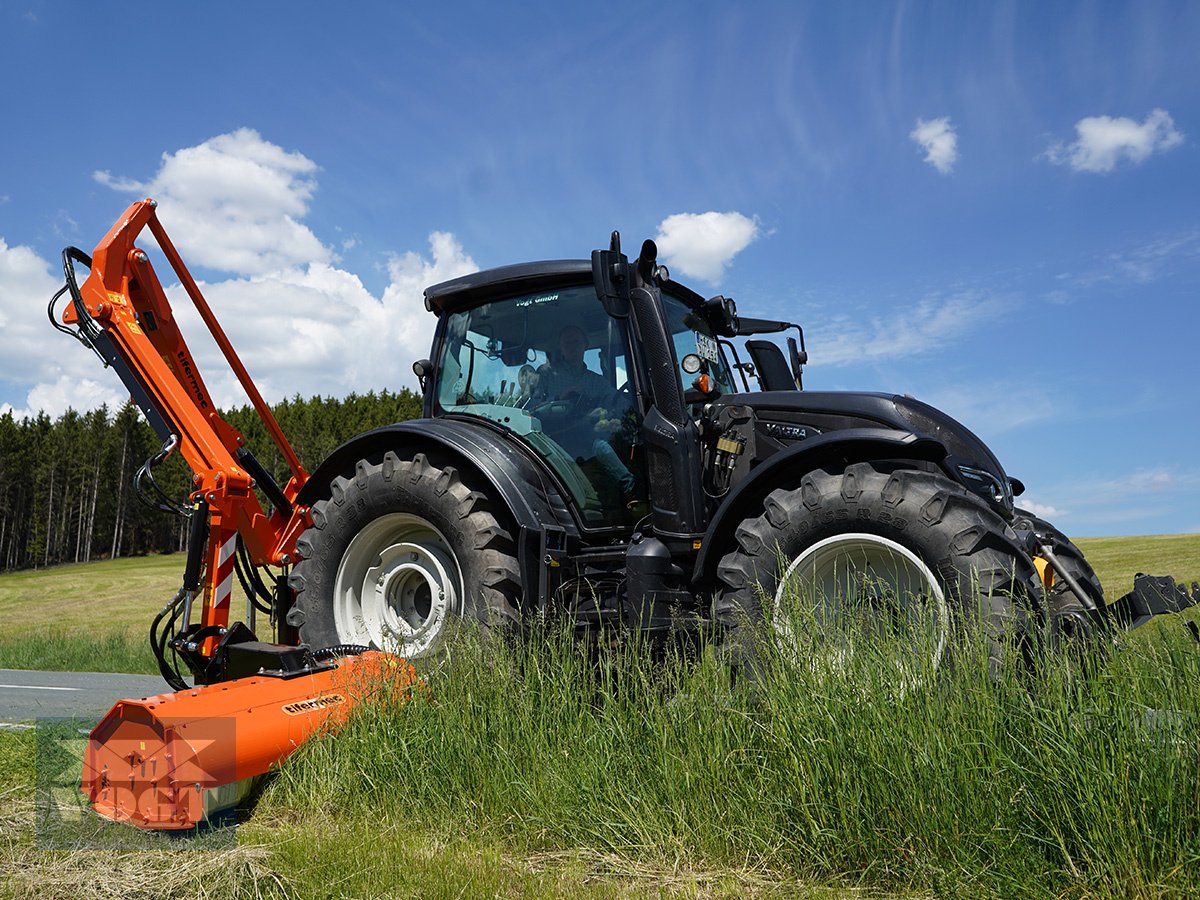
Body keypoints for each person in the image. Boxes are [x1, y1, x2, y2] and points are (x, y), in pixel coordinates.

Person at [534, 325, 635, 493]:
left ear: (585, 345)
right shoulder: (546, 374)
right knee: (602, 447)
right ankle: (629, 485)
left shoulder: (596, 381)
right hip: (554, 437)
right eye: (567, 343)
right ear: (561, 347)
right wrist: (560, 398)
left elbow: (617, 402)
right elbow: (532, 407)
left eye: (576, 342)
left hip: (587, 433)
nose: (572, 346)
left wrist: (630, 410)